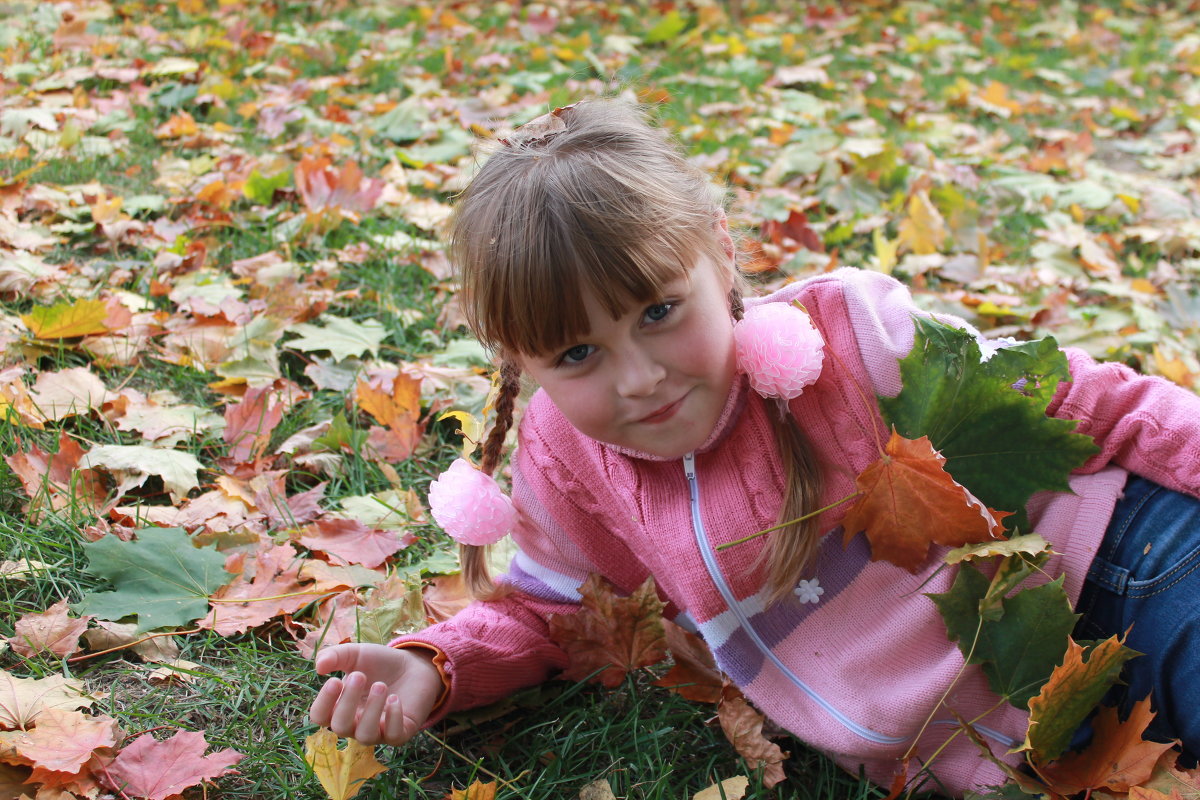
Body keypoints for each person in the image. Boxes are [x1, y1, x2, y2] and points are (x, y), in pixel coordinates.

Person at [309, 98, 1200, 794]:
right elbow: (552, 611)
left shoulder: (850, 337)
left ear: (721, 258)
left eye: (660, 312)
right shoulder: (564, 458)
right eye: (578, 354)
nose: (641, 378)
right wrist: (439, 665)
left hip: (1124, 570)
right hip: (1008, 736)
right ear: (521, 362)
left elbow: (1093, 403)